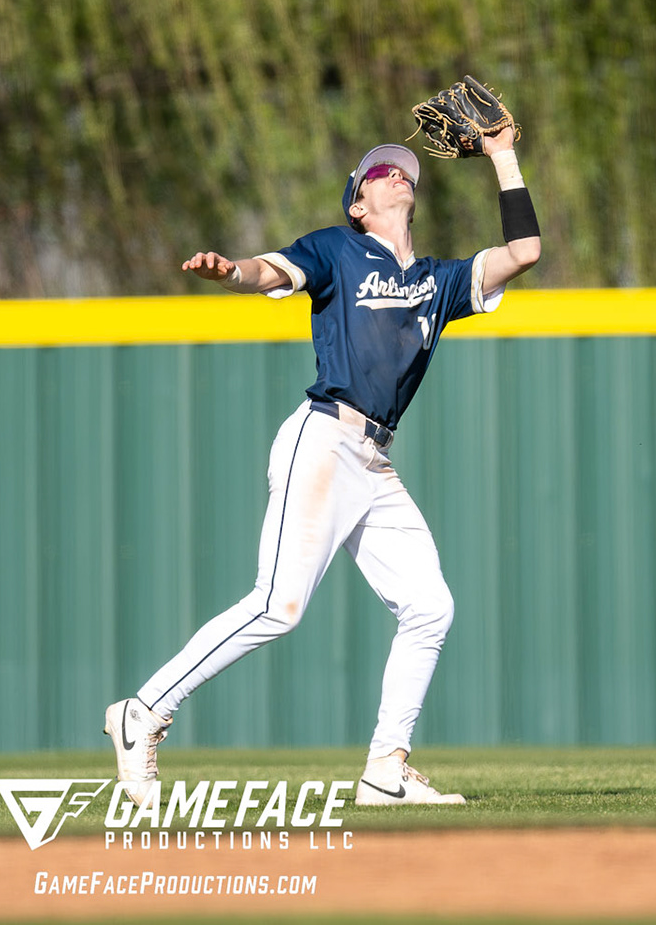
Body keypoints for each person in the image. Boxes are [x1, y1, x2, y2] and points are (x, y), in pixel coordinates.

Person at [104, 127, 540, 804]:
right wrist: (233, 274)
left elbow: (524, 252)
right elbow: (270, 271)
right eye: (378, 173)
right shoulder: (338, 249)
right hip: (325, 438)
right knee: (277, 606)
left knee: (430, 608)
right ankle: (144, 710)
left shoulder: (438, 281)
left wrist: (502, 154)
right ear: (358, 205)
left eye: (401, 171)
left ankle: (386, 768)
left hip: (374, 459)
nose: (395, 175)